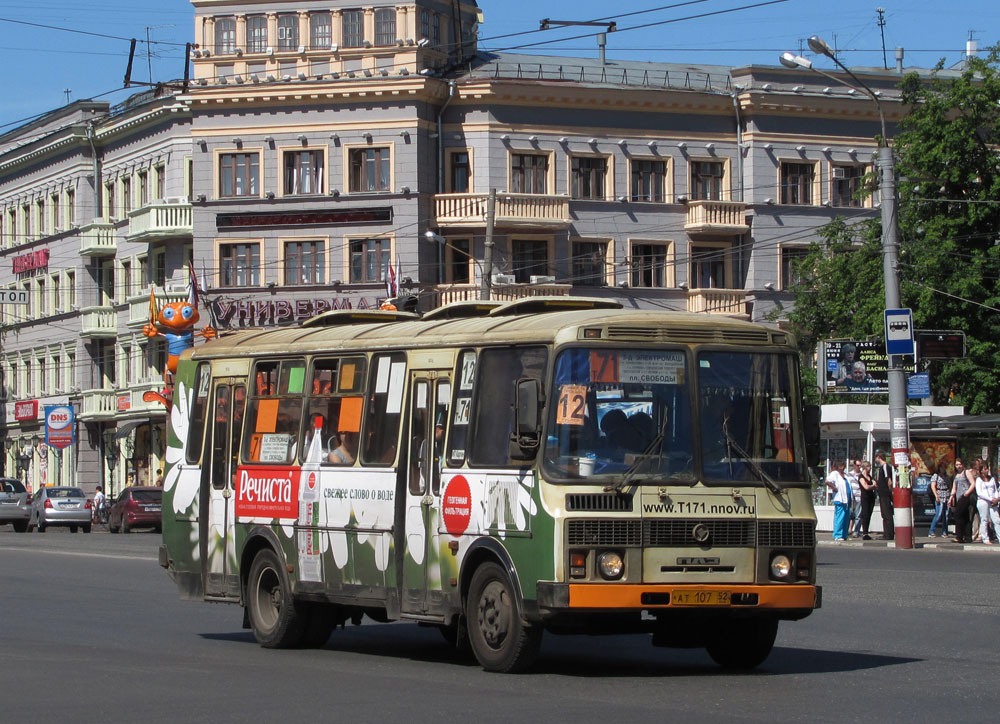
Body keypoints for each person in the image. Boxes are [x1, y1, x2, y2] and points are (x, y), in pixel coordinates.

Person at [949, 457, 976, 544]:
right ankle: (968, 537)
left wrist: (967, 493)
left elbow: (973, 483)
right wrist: (951, 498)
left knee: (957, 515)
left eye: (960, 464)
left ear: (963, 465)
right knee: (965, 516)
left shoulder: (966, 472)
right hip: (958, 497)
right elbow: (954, 488)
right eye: (957, 464)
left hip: (965, 497)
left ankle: (959, 536)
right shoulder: (956, 475)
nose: (958, 466)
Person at [974, 462, 999, 545]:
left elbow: (995, 490)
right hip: (983, 501)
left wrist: (996, 498)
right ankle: (985, 538)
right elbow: (980, 493)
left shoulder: (991, 479)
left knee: (996, 520)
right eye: (985, 469)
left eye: (987, 468)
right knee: (984, 519)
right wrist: (990, 499)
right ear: (981, 470)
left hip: (993, 502)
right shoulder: (979, 480)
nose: (986, 470)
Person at [826, 460, 851, 541]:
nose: (842, 467)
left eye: (843, 465)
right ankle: (837, 534)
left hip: (847, 499)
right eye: (840, 465)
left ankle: (844, 534)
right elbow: (827, 481)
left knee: (846, 517)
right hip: (840, 499)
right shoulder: (835, 474)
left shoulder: (845, 475)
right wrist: (834, 488)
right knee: (840, 517)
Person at [927, 462, 952, 537]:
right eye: (941, 467)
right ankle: (931, 531)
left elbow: (950, 486)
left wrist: (951, 497)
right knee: (938, 514)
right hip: (939, 495)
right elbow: (933, 486)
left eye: (944, 467)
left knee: (946, 515)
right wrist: (936, 496)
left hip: (946, 495)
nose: (943, 469)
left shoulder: (947, 476)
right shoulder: (936, 476)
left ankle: (944, 531)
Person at [874, 451, 894, 540]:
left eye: (876, 457)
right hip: (882, 493)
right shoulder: (882, 467)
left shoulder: (885, 466)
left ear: (879, 457)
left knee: (887, 514)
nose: (875, 459)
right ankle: (886, 533)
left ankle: (889, 534)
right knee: (884, 514)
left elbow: (889, 480)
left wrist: (890, 492)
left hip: (885, 493)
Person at [857, 460, 877, 540]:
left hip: (871, 497)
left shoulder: (869, 476)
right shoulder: (861, 477)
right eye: (869, 466)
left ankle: (867, 532)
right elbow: (866, 487)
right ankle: (864, 533)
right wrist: (873, 485)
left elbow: (874, 484)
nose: (870, 468)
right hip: (865, 497)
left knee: (869, 514)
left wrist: (873, 485)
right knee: (865, 514)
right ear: (865, 467)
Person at [847, 459, 863, 537]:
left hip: (859, 497)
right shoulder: (849, 475)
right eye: (857, 465)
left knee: (858, 515)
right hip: (851, 497)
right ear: (854, 465)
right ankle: (848, 529)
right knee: (850, 514)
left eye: (860, 465)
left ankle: (856, 531)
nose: (859, 467)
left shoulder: (862, 475)